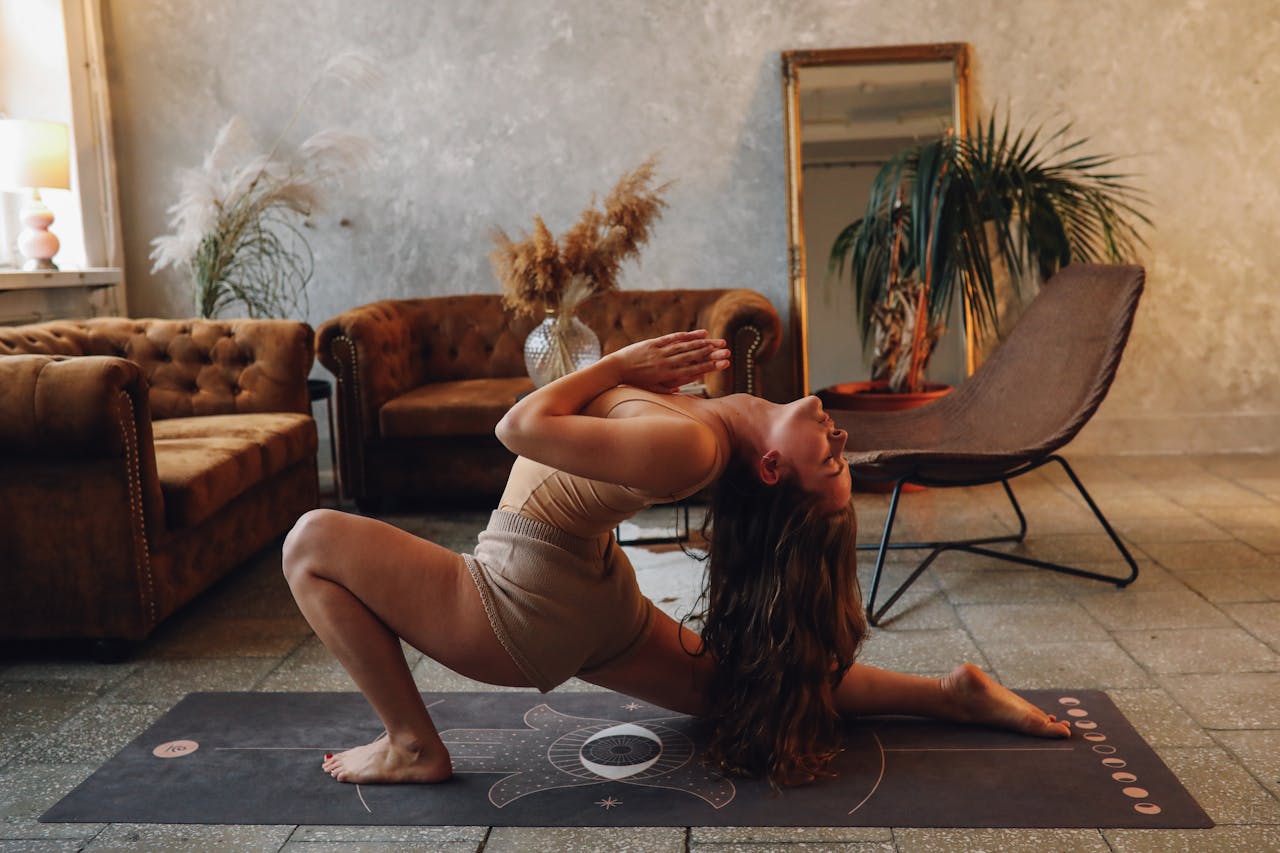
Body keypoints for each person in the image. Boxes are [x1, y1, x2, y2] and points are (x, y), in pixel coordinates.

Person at [283, 330, 1070, 788]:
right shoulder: (707, 422)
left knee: (311, 542)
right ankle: (949, 694)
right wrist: (623, 372)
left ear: (771, 470)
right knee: (745, 685)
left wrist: (622, 365)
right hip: (587, 595)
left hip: (511, 603)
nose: (841, 440)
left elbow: (517, 428)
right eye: (842, 455)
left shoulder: (690, 441)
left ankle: (413, 745)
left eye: (829, 462)